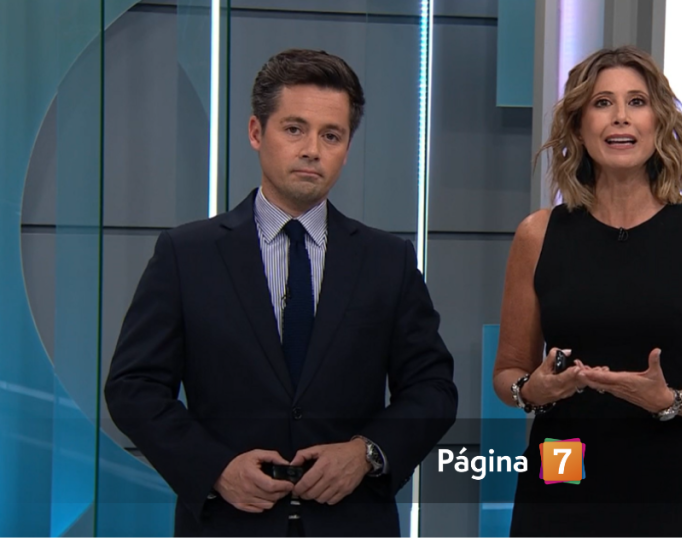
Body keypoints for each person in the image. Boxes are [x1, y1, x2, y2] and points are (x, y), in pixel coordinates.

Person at [105, 48, 458, 537]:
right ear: (256, 132)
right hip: (229, 525)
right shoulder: (187, 255)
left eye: (331, 135)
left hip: (352, 523)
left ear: (346, 148)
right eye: (294, 129)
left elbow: (433, 388)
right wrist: (214, 468)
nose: (312, 149)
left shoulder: (387, 261)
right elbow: (133, 387)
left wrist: (366, 453)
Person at [492, 45, 682, 537]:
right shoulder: (537, 235)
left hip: (669, 487)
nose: (620, 117)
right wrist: (533, 390)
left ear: (659, 123)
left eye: (637, 102)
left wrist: (668, 400)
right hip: (560, 478)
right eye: (602, 103)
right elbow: (507, 371)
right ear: (579, 126)